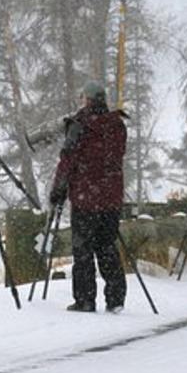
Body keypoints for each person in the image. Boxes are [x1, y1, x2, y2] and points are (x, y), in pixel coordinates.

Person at [51, 81, 128, 314]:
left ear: (87, 99)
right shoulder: (117, 124)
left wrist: (58, 190)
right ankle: (115, 298)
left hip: (86, 198)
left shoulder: (80, 124)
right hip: (111, 198)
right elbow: (115, 155)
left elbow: (68, 160)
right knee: (107, 246)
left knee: (83, 249)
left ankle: (85, 299)